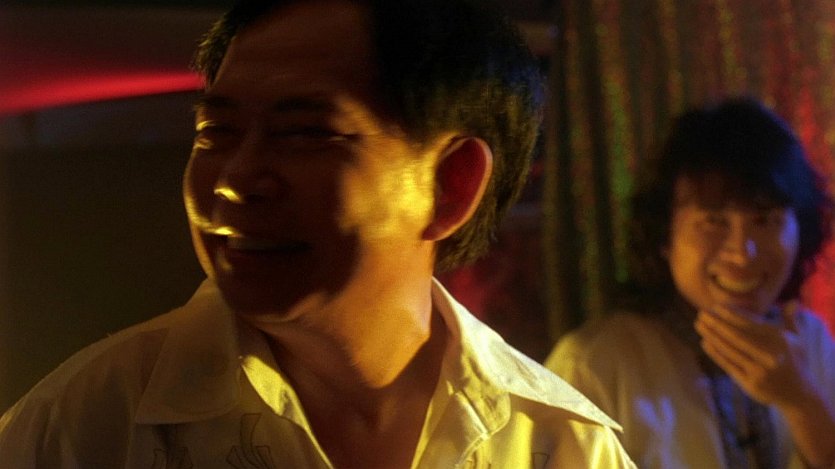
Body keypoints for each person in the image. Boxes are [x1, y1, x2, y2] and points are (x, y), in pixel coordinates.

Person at [0, 0, 635, 467]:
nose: (236, 180)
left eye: (304, 133)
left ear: (452, 183)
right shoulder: (85, 428)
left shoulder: (560, 446)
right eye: (216, 133)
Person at [545, 97, 835, 468]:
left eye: (765, 220)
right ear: (664, 236)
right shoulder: (595, 365)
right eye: (714, 222)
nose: (743, 253)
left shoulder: (811, 342)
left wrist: (802, 401)